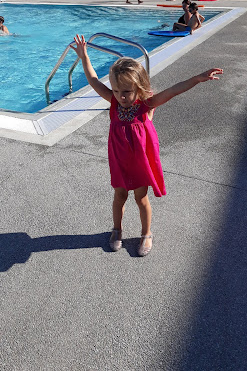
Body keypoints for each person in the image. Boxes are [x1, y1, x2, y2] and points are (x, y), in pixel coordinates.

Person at [70, 34, 223, 256]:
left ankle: (146, 233)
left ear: (139, 88)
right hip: (119, 160)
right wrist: (84, 56)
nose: (120, 97)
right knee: (119, 196)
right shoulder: (113, 102)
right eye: (116, 91)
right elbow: (93, 80)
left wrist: (197, 78)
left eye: (126, 92)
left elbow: (174, 90)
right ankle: (117, 229)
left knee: (141, 198)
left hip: (140, 161)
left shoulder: (146, 105)